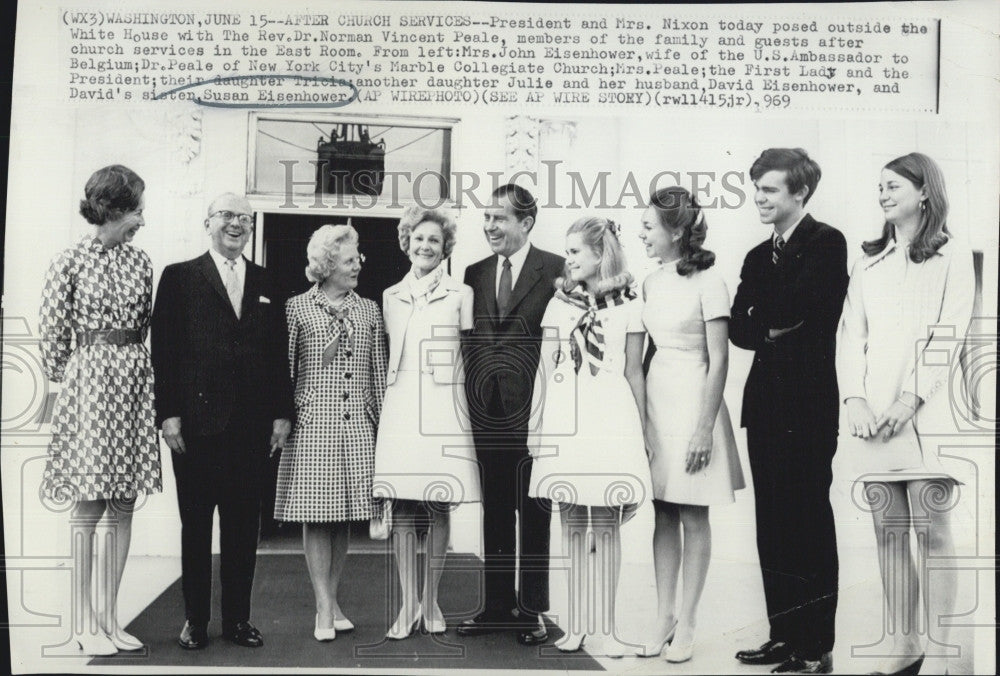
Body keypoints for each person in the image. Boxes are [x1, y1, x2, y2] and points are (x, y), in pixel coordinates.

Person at [838, 153, 974, 676]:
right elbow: (852, 335)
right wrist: (855, 399)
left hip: (930, 413)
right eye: (879, 187)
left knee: (932, 528)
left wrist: (908, 399)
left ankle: (940, 654)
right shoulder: (868, 262)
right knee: (888, 529)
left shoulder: (951, 257)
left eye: (893, 186)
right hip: (874, 418)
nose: (883, 194)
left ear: (924, 193)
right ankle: (905, 643)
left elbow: (950, 334)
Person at [151, 192, 293, 650]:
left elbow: (278, 357)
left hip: (252, 430)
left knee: (241, 530)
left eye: (245, 218)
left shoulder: (269, 280)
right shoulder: (179, 277)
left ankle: (238, 620)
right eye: (228, 216)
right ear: (207, 222)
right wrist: (167, 413)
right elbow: (165, 350)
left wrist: (281, 414)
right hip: (195, 428)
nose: (237, 224)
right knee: (195, 527)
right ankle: (195, 620)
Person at [730, 149, 848, 675]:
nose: (759, 196)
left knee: (808, 526)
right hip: (764, 406)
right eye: (756, 187)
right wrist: (771, 323)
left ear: (800, 192)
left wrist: (768, 317)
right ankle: (783, 634)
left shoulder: (828, 242)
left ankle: (815, 647)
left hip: (808, 407)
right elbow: (739, 328)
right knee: (772, 525)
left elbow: (808, 309)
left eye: (770, 189)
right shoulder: (757, 255)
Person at [39, 164, 161, 656]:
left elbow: (145, 323)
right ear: (109, 208)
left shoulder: (142, 263)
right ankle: (82, 619)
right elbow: (52, 337)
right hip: (88, 385)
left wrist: (126, 368)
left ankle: (110, 617)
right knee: (88, 504)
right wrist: (78, 382)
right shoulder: (67, 262)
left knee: (125, 502)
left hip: (133, 384)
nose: (141, 220)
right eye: (135, 210)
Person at [528, 216, 650, 655]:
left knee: (607, 524)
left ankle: (608, 626)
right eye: (568, 251)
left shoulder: (630, 304)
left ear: (601, 254)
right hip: (567, 412)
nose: (569, 259)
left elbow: (635, 370)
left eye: (577, 251)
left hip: (611, 415)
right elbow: (544, 369)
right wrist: (536, 424)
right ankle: (576, 621)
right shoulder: (559, 303)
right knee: (573, 522)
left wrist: (642, 429)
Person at [635, 187, 746, 663]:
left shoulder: (710, 281)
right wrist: (639, 420)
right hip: (659, 399)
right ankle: (664, 616)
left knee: (693, 514)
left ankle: (690, 619)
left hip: (696, 400)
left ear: (676, 231)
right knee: (662, 510)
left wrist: (704, 428)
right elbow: (643, 354)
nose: (642, 234)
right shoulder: (650, 281)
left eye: (649, 226)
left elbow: (719, 360)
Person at [458, 184, 564, 646]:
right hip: (487, 412)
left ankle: (533, 610)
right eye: (487, 217)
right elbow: (467, 340)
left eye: (500, 218)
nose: (490, 226)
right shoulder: (473, 272)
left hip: (535, 412)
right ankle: (498, 606)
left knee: (535, 508)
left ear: (527, 223)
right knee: (496, 509)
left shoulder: (558, 270)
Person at [275, 224, 387, 642]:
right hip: (313, 423)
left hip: (357, 422)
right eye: (347, 260)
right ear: (325, 265)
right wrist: (284, 418)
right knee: (317, 515)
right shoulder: (297, 308)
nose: (357, 265)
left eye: (358, 259)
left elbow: (377, 371)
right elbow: (285, 372)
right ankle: (322, 605)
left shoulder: (369, 310)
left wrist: (380, 424)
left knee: (342, 517)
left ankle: (333, 598)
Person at [373, 207, 480, 639]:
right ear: (407, 242)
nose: (425, 247)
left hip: (443, 408)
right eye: (419, 239)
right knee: (401, 505)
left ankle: (431, 598)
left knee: (437, 503)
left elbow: (469, 358)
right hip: (401, 406)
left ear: (445, 247)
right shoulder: (389, 295)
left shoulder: (462, 294)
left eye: (434, 240)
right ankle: (407, 603)